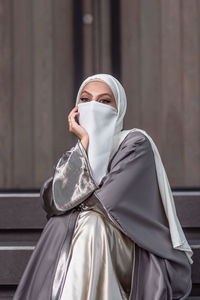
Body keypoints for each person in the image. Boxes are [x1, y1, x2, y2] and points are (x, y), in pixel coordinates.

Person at [13, 74, 193, 300]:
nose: (94, 107)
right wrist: (84, 143)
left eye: (104, 101)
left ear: (119, 108)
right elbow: (52, 200)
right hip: (82, 239)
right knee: (87, 223)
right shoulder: (78, 151)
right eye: (85, 100)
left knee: (91, 221)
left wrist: (73, 198)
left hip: (131, 246)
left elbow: (108, 201)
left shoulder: (135, 143)